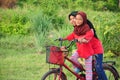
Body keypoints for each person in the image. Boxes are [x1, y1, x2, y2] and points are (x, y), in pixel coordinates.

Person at [62, 11, 108, 80]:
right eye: (70, 19)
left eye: (73, 18)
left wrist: (83, 39)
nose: (72, 21)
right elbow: (73, 36)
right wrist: (64, 39)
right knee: (77, 60)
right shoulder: (77, 29)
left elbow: (87, 38)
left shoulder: (86, 28)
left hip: (96, 49)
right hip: (85, 50)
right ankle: (80, 68)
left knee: (98, 68)